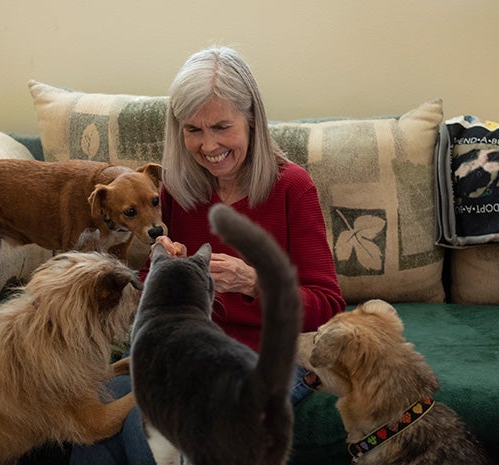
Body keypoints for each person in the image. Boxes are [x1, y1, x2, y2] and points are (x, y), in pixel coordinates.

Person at [68, 46, 345, 465]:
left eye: (221, 126)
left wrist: (255, 282)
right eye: (193, 130)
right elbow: (148, 293)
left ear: (252, 119)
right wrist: (160, 265)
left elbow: (327, 307)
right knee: (92, 420)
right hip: (181, 351)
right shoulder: (176, 190)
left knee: (141, 423)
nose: (208, 145)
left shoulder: (292, 187)